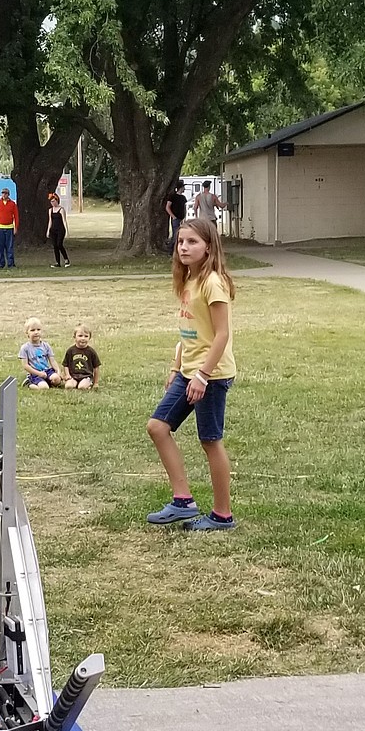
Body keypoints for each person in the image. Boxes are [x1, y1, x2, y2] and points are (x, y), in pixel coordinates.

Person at [145, 216, 236, 532]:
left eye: (192, 242)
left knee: (210, 441)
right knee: (157, 427)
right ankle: (183, 501)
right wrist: (177, 367)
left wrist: (201, 376)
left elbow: (221, 335)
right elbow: (190, 332)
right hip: (188, 372)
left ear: (208, 247)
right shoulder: (188, 280)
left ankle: (222, 515)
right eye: (181, 241)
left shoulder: (213, 282)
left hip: (210, 375)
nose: (184, 247)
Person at [19, 318, 63, 388]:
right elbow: (25, 366)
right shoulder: (25, 348)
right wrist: (39, 373)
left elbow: (52, 361)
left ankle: (47, 382)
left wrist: (58, 371)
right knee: (44, 387)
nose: (36, 332)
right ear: (27, 332)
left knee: (57, 379)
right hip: (34, 373)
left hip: (47, 371)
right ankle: (30, 384)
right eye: (32, 330)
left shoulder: (46, 346)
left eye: (38, 329)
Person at [62, 324, 101, 389]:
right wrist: (67, 375)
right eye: (80, 336)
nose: (83, 338)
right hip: (73, 376)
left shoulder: (91, 352)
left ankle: (88, 384)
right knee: (68, 386)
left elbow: (96, 367)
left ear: (89, 338)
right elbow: (65, 365)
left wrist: (96, 383)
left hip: (86, 376)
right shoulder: (70, 351)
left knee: (81, 387)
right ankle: (76, 383)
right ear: (74, 337)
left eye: (86, 336)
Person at [46, 192, 70, 267]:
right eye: (51, 202)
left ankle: (66, 259)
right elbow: (50, 221)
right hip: (53, 230)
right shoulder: (50, 210)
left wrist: (67, 230)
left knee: (59, 244)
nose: (52, 203)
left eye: (54, 201)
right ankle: (57, 262)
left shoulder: (61, 210)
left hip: (60, 230)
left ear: (57, 201)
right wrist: (48, 230)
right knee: (55, 245)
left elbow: (64, 220)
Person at [164, 181, 187, 254]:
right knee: (175, 234)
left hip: (181, 218)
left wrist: (184, 217)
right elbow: (167, 207)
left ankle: (175, 249)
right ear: (181, 188)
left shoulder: (183, 198)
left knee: (180, 234)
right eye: (183, 187)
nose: (184, 189)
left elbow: (184, 207)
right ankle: (171, 249)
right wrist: (173, 216)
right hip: (175, 219)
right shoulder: (173, 196)